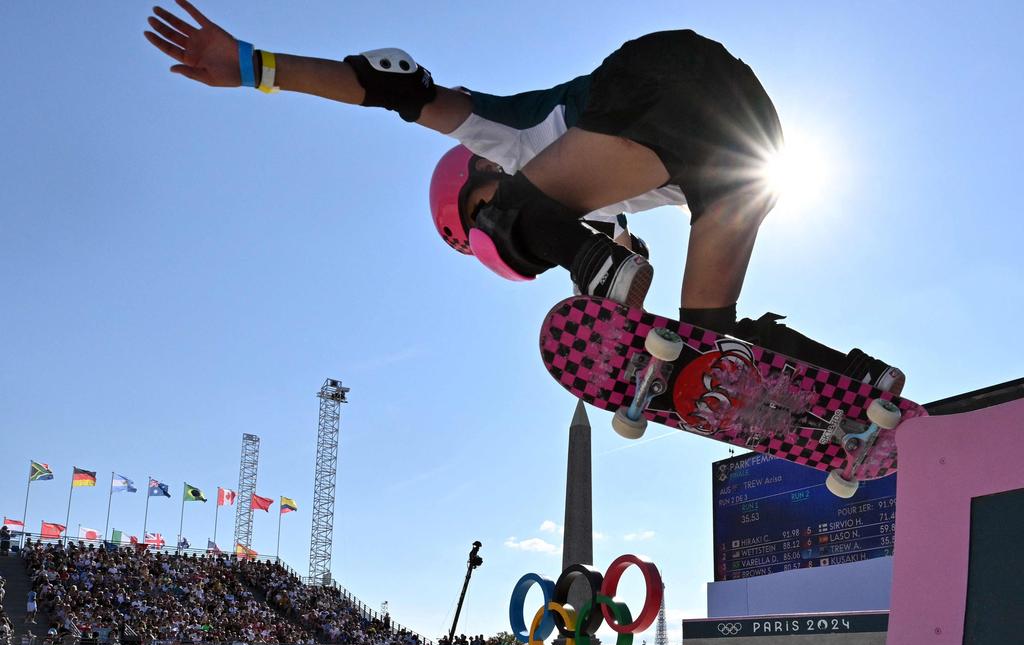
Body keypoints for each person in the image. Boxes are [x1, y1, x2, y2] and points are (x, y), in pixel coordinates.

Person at [145, 2, 905, 392]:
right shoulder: (605, 208)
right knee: (710, 344)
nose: (505, 248)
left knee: (523, 221)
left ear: (469, 178)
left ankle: (592, 269)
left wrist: (252, 65)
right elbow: (638, 290)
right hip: (742, 149)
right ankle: (855, 385)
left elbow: (394, 88)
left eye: (474, 220)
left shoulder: (496, 138)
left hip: (662, 83)